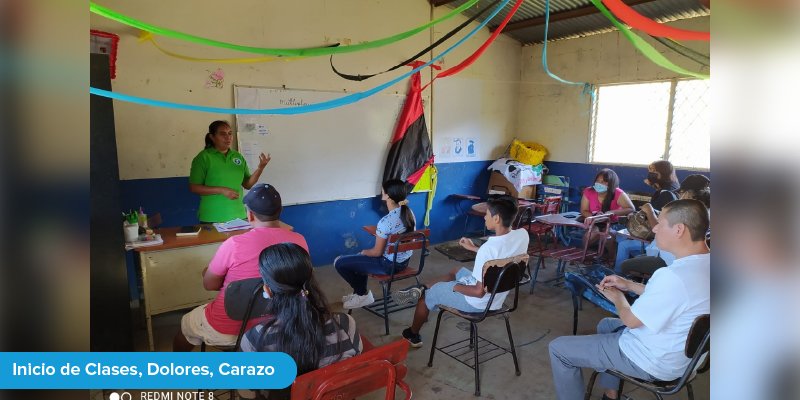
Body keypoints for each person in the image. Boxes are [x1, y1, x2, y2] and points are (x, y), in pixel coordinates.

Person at [548, 199, 710, 400]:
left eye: (660, 223)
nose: (655, 228)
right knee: (607, 325)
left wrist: (618, 297)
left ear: (679, 230)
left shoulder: (673, 276)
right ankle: (611, 395)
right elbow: (674, 298)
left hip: (653, 361)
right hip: (687, 359)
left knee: (558, 349)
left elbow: (631, 321)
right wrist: (630, 285)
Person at [173, 183, 308, 351]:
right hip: (281, 321)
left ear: (250, 215)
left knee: (186, 325)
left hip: (229, 329)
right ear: (280, 211)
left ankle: (174, 369)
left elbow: (209, 285)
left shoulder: (234, 244)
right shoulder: (299, 240)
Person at [395, 195, 529, 348]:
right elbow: (501, 257)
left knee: (427, 296)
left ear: (497, 218)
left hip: (477, 304)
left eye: (487, 213)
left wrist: (454, 286)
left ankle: (413, 334)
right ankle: (423, 288)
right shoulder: (522, 236)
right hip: (497, 297)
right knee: (457, 270)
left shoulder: (488, 249)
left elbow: (478, 292)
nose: (485, 217)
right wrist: (474, 249)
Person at [240, 243, 362, 400]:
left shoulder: (255, 339)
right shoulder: (346, 324)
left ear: (268, 290)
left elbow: (250, 387)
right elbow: (356, 366)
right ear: (311, 279)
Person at [334, 179, 416, 309]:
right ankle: (358, 293)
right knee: (359, 261)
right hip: (403, 262)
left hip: (388, 265)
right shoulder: (409, 213)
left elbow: (376, 252)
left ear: (387, 195)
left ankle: (362, 295)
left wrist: (364, 252)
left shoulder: (385, 222)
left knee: (339, 262)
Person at [189, 120, 270, 223]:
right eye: (222, 134)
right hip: (212, 217)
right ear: (212, 137)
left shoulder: (237, 157)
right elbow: (194, 187)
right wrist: (221, 190)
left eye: (230, 133)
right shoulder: (203, 158)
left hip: (239, 216)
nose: (228, 137)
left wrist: (260, 168)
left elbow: (247, 184)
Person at [613, 161, 680, 269]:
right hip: (656, 238)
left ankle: (620, 272)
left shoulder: (666, 195)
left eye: (653, 172)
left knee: (622, 244)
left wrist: (648, 212)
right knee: (621, 237)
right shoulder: (669, 191)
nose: (650, 174)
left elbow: (658, 226)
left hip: (658, 242)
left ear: (661, 174)